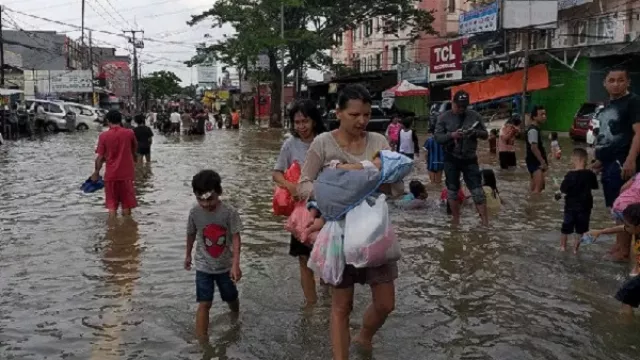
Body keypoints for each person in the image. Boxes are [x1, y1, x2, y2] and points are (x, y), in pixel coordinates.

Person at [298, 84, 402, 360]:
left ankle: (364, 336)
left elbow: (396, 188)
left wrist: (386, 176)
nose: (362, 121)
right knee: (341, 307)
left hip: (374, 232)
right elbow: (303, 184)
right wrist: (331, 193)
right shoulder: (323, 143)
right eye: (355, 114)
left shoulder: (379, 142)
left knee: (385, 304)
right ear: (339, 113)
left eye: (367, 115)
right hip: (338, 234)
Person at [272, 99, 327, 306]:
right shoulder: (290, 144)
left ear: (314, 120)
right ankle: (311, 307)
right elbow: (276, 173)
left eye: (305, 121)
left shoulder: (326, 141)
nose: (301, 126)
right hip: (301, 210)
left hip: (327, 207)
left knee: (327, 255)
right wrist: (290, 186)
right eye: (297, 122)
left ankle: (329, 298)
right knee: (304, 260)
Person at [184, 170, 242, 344]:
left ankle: (236, 315)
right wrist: (187, 255)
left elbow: (236, 237)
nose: (205, 204)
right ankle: (202, 342)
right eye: (200, 199)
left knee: (231, 297)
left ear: (219, 192)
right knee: (204, 303)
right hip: (203, 267)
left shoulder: (229, 213)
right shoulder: (195, 213)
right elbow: (191, 234)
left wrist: (235, 264)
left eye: (210, 199)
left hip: (225, 266)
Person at [592, 66, 640, 261]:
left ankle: (624, 251)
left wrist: (631, 159)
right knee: (615, 206)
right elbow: (605, 136)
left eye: (620, 80)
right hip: (609, 163)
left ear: (628, 82)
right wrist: (599, 160)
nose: (616, 84)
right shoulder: (607, 105)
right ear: (605, 83)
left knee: (625, 206)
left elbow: (639, 132)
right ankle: (620, 245)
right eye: (611, 80)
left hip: (624, 162)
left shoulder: (633, 102)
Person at [434, 90, 489, 226]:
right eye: (458, 106)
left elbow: (485, 134)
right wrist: (452, 135)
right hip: (451, 158)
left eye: (464, 106)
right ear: (452, 103)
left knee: (477, 191)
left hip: (470, 158)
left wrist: (474, 132)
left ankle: (485, 223)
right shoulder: (443, 117)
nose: (461, 109)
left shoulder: (474, 116)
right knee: (452, 191)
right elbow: (437, 137)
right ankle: (456, 221)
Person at [589, 204, 640, 313]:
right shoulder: (634, 230)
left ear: (638, 226)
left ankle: (624, 325)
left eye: (628, 225)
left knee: (626, 295)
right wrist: (600, 232)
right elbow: (621, 228)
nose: (625, 227)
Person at [92, 110, 138, 220]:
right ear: (120, 120)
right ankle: (127, 231)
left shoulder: (103, 136)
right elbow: (134, 151)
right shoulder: (129, 133)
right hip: (126, 174)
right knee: (126, 206)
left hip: (111, 175)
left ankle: (112, 231)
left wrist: (96, 172)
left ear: (108, 121)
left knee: (111, 206)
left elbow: (100, 157)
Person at [559, 148, 598, 253]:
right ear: (585, 159)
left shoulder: (569, 175)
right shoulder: (590, 174)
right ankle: (575, 250)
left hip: (570, 207)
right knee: (581, 229)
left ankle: (562, 247)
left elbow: (563, 190)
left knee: (565, 228)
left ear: (576, 159)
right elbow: (595, 186)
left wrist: (557, 195)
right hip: (585, 207)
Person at [526, 105, 549, 193]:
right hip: (535, 163)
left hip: (534, 162)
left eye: (545, 114)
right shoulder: (533, 130)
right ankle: (535, 206)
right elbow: (534, 148)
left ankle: (531, 203)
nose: (544, 116)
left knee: (536, 187)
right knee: (538, 189)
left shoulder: (535, 129)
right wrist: (543, 162)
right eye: (541, 114)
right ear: (534, 117)